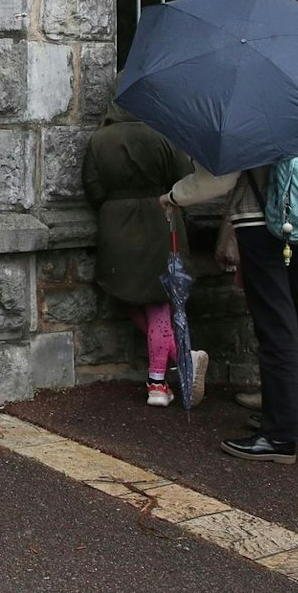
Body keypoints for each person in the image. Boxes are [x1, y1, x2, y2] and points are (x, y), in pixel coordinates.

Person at [166, 163, 298, 464]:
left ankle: (279, 434)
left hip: (262, 219)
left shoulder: (252, 129)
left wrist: (174, 196)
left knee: (275, 321)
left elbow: (219, 178)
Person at [82, 105, 207, 407]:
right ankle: (160, 382)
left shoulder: (99, 139)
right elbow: (184, 178)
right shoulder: (164, 133)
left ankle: (173, 369)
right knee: (160, 300)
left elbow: (93, 188)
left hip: (116, 225)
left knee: (129, 296)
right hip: (160, 219)